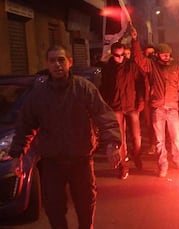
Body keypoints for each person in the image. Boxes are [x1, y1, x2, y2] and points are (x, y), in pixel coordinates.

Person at [9, 45, 122, 229]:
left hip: (81, 160)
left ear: (70, 62)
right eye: (52, 60)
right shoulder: (39, 94)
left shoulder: (84, 88)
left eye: (61, 60)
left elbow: (103, 115)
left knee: (85, 205)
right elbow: (25, 125)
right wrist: (17, 154)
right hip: (52, 162)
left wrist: (112, 144)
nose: (57, 65)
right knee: (54, 208)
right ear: (47, 64)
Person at [131, 27, 179, 177]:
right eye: (164, 54)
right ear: (158, 55)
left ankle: (177, 160)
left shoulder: (175, 69)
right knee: (160, 141)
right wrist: (135, 40)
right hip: (158, 108)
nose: (166, 56)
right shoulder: (151, 66)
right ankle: (163, 165)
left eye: (168, 54)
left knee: (176, 138)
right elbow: (139, 59)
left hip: (172, 109)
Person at [100, 41, 145, 179]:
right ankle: (123, 167)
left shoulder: (132, 66)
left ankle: (136, 155)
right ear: (112, 54)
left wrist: (141, 100)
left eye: (121, 55)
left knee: (136, 136)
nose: (119, 58)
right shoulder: (108, 68)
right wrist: (105, 103)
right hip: (116, 106)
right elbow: (105, 86)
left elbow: (140, 83)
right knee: (120, 138)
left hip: (131, 105)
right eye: (116, 55)